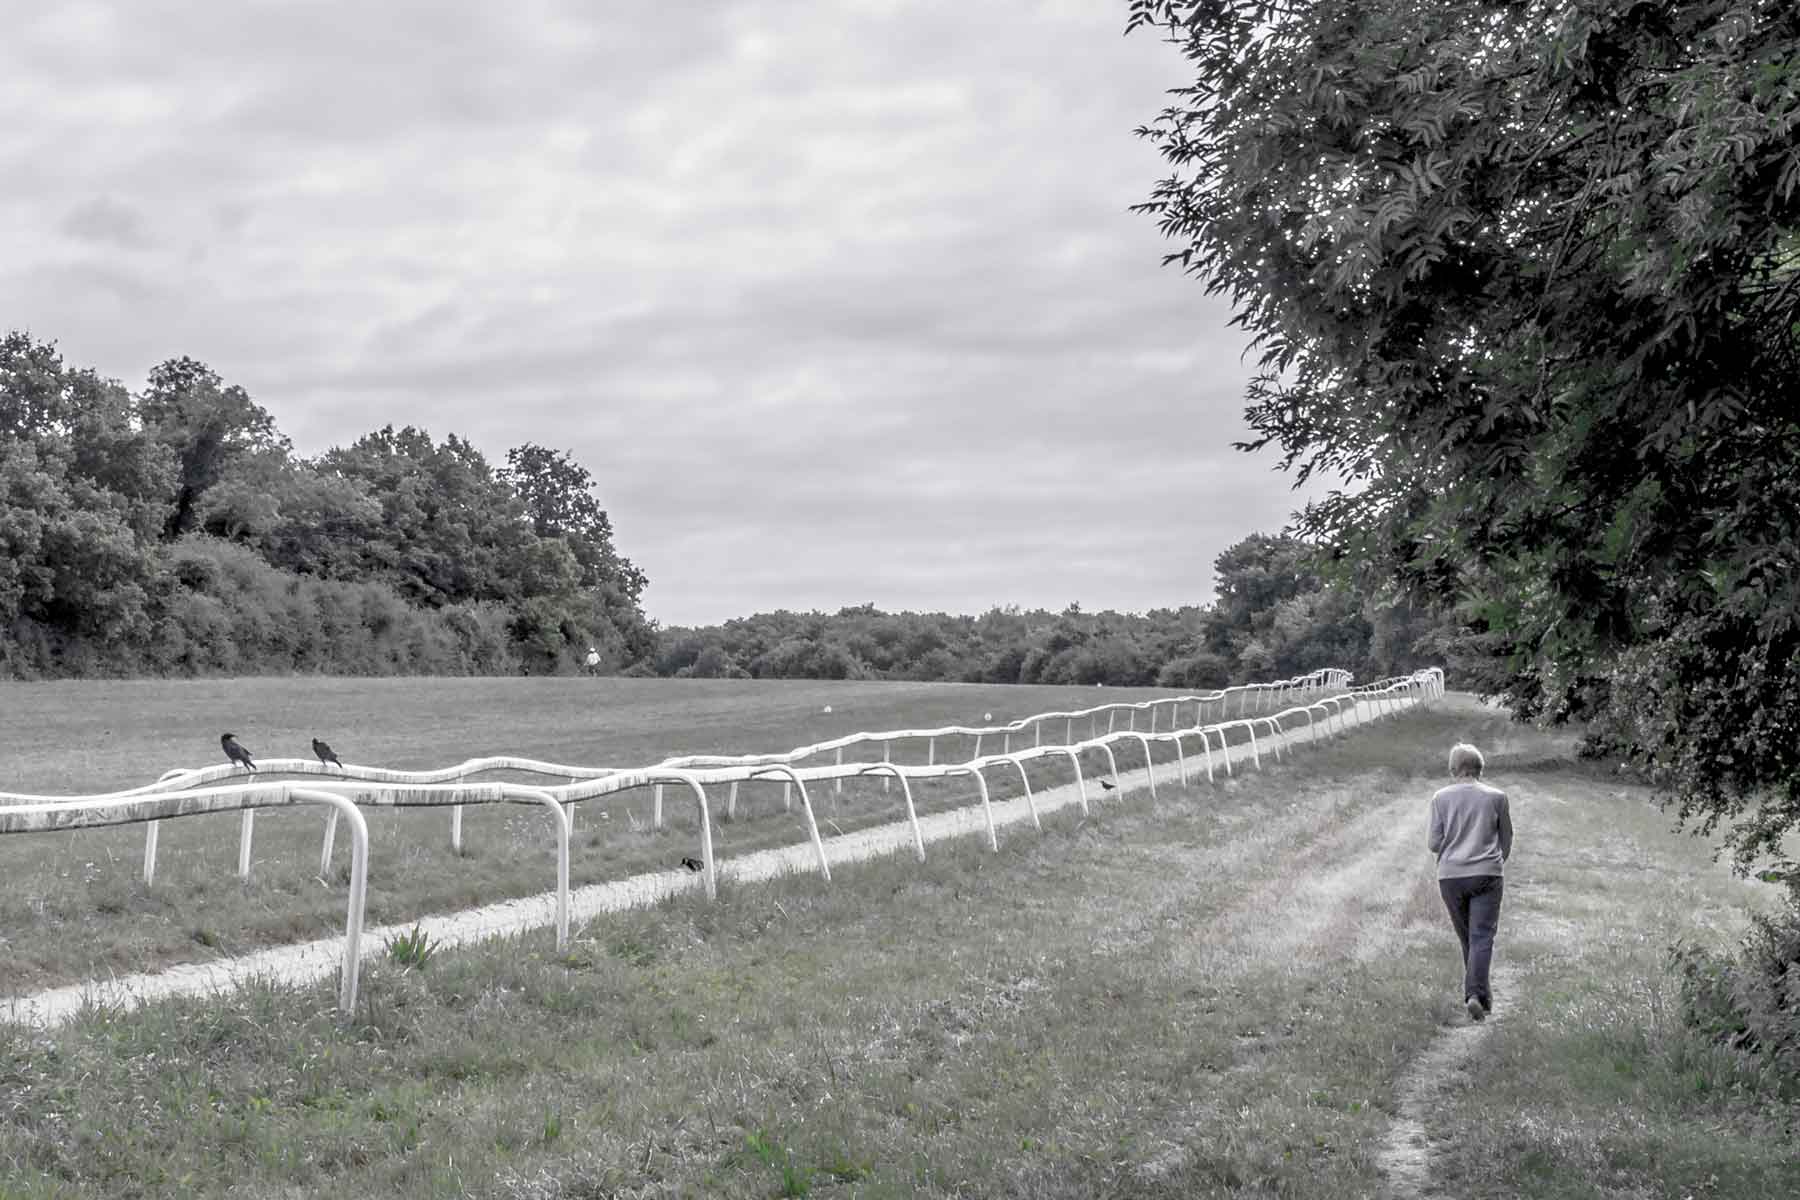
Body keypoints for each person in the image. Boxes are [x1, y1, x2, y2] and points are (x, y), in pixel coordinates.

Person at [1428, 742, 1512, 1022]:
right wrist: (1495, 862)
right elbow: (1506, 839)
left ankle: (1477, 996)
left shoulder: (1440, 798)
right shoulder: (1497, 797)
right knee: (1481, 937)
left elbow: (1434, 843)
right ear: (1480, 768)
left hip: (1451, 877)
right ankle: (1478, 996)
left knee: (1469, 939)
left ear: (1454, 769)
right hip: (1487, 873)